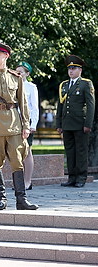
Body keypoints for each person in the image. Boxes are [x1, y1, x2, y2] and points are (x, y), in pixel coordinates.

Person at [0, 42, 38, 211]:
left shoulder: (15, 77)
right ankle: (1, 198)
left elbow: (23, 104)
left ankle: (21, 199)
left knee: (18, 161)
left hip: (14, 124)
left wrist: (26, 125)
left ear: (6, 56)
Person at [57, 55, 95, 188]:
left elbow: (91, 105)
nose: (71, 71)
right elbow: (60, 106)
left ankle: (81, 177)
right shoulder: (64, 85)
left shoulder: (85, 84)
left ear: (80, 70)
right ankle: (71, 177)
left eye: (74, 68)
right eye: (69, 69)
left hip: (80, 124)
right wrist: (59, 124)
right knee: (70, 151)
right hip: (67, 124)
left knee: (81, 151)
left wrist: (88, 124)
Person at [16, 62, 39, 190]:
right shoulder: (12, 85)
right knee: (16, 151)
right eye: (17, 71)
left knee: (27, 150)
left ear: (27, 74)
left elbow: (34, 108)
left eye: (21, 72)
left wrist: (33, 124)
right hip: (14, 121)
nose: (18, 74)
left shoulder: (31, 87)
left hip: (26, 121)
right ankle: (19, 181)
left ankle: (27, 181)